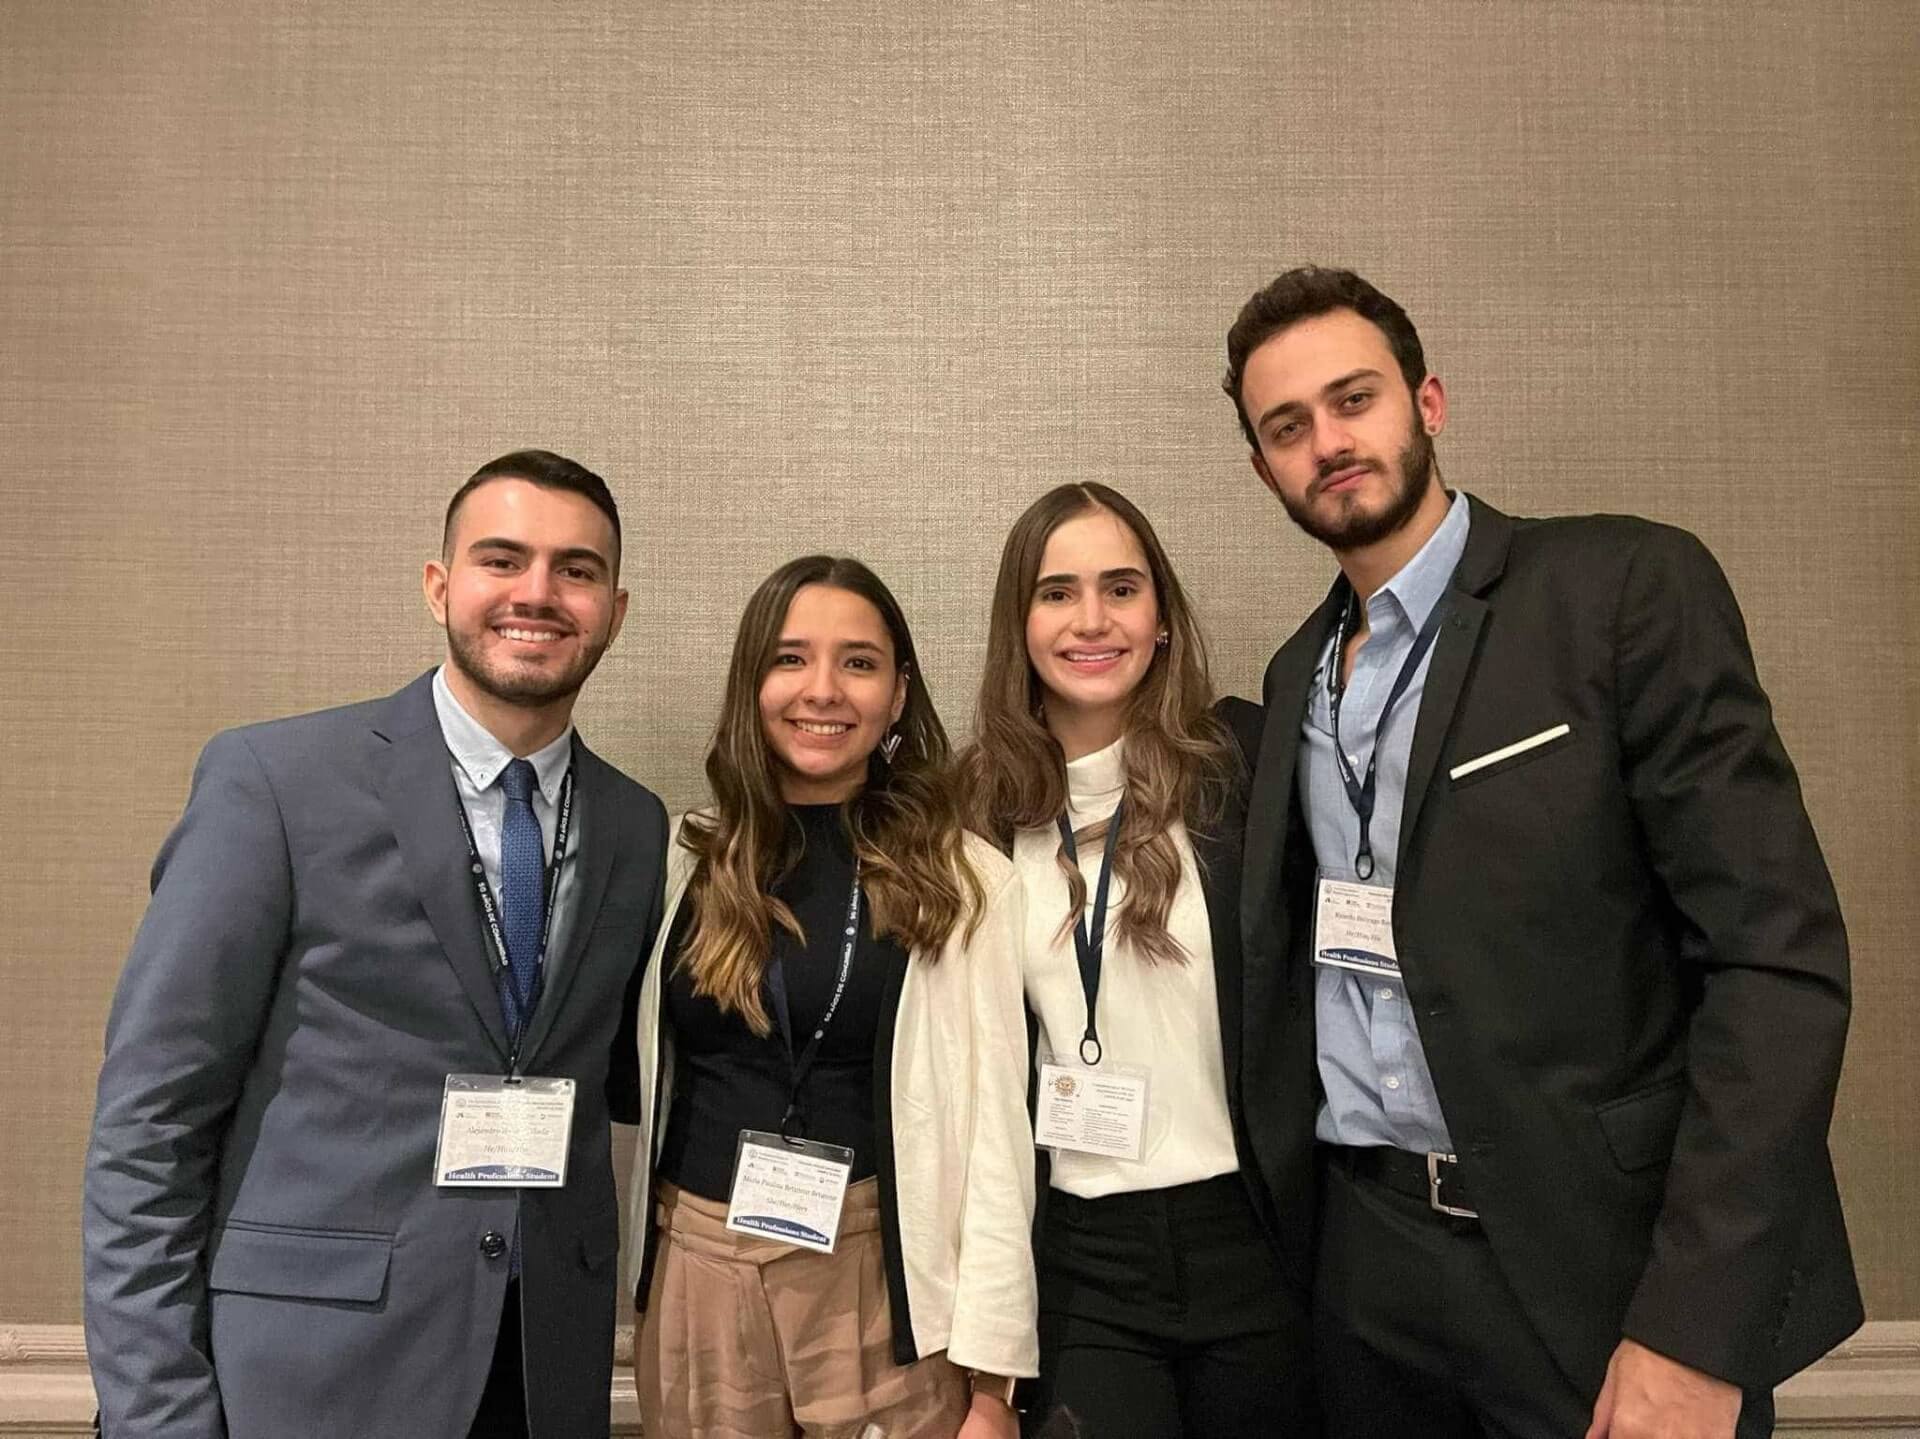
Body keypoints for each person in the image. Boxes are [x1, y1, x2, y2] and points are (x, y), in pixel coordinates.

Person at [1222, 266, 1862, 1439]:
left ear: (1429, 401)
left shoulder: (1617, 590)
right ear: (1264, 468)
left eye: (1352, 398)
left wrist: (1694, 1326)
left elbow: (1777, 965)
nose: (1328, 442)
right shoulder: (1292, 679)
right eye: (1287, 427)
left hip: (1595, 1269)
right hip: (1366, 1270)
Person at [83, 450, 669, 1439]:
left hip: (540, 1374)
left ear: (614, 609)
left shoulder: (635, 825)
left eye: (575, 568)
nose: (538, 591)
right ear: (440, 584)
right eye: (502, 558)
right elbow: (151, 1120)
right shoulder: (274, 782)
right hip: (309, 1373)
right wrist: (156, 1409)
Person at [623, 555, 1036, 1439]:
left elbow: (999, 1143)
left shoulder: (966, 882)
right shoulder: (682, 859)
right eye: (789, 658)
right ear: (752, 683)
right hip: (696, 1266)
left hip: (878, 1280)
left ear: (896, 693)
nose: (823, 689)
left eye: (858, 661)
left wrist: (994, 1386)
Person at [957, 483, 1316, 1438]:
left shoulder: (1245, 760)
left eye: (1122, 588)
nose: (1091, 620)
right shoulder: (977, 813)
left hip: (1256, 1243)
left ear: (1161, 619)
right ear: (1020, 622)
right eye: (1057, 591)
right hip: (1085, 1262)